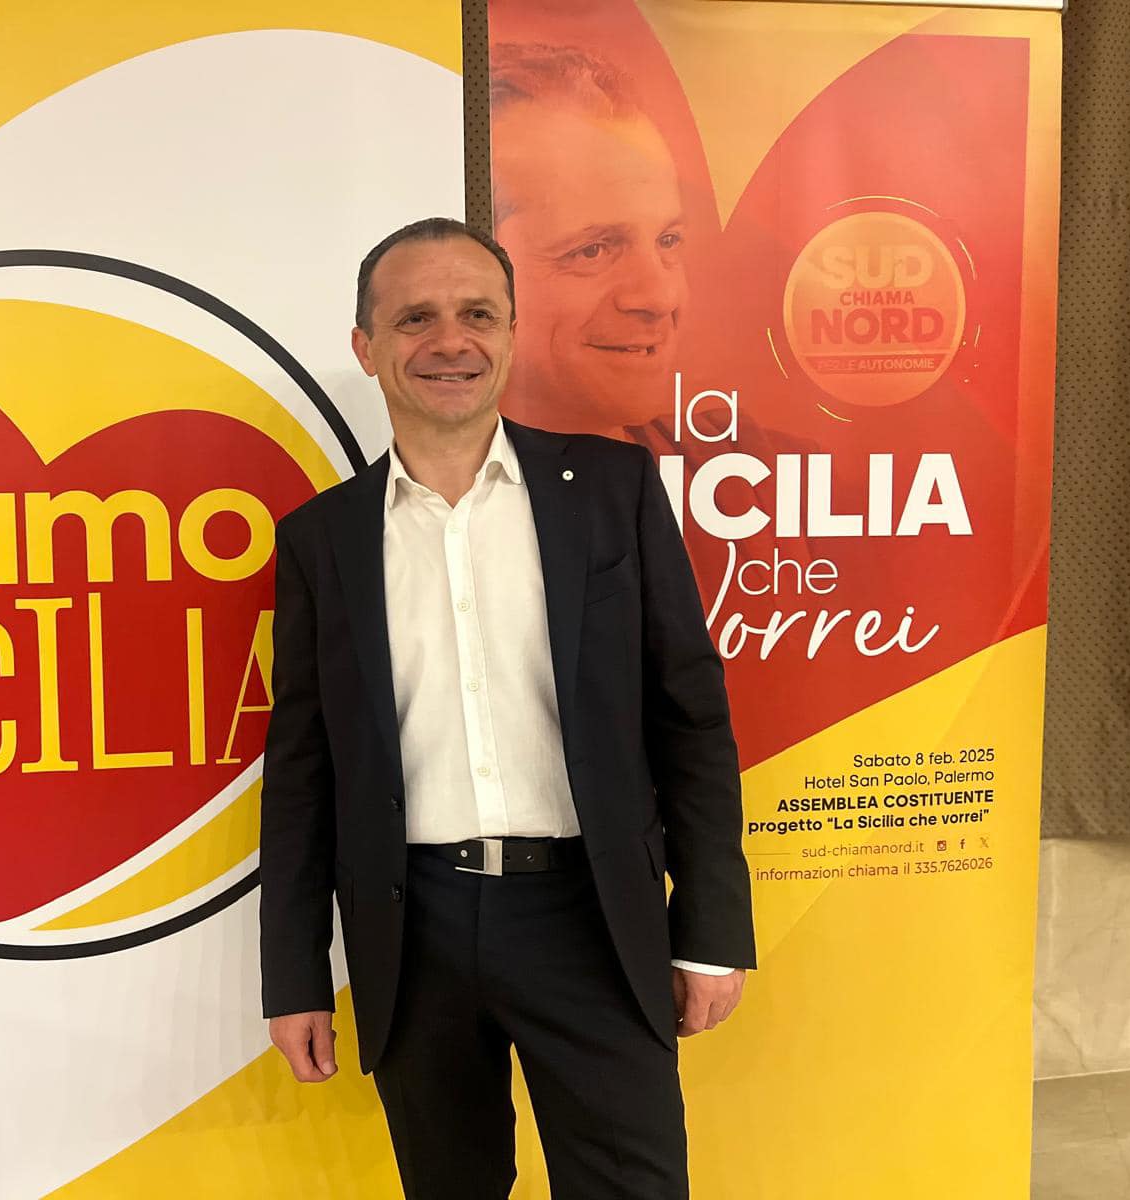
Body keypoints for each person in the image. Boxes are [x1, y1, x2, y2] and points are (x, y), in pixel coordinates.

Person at [259, 217, 755, 1199]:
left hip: (592, 917)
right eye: (416, 318)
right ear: (366, 345)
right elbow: (303, 770)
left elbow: (690, 722)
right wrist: (295, 976)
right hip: (413, 928)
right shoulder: (322, 539)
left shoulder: (611, 492)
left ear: (512, 332)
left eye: (478, 314)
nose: (451, 341)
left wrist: (709, 929)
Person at [491, 43, 690, 439]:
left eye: (668, 241)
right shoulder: (403, 478)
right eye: (592, 251)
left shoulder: (753, 462)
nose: (660, 298)